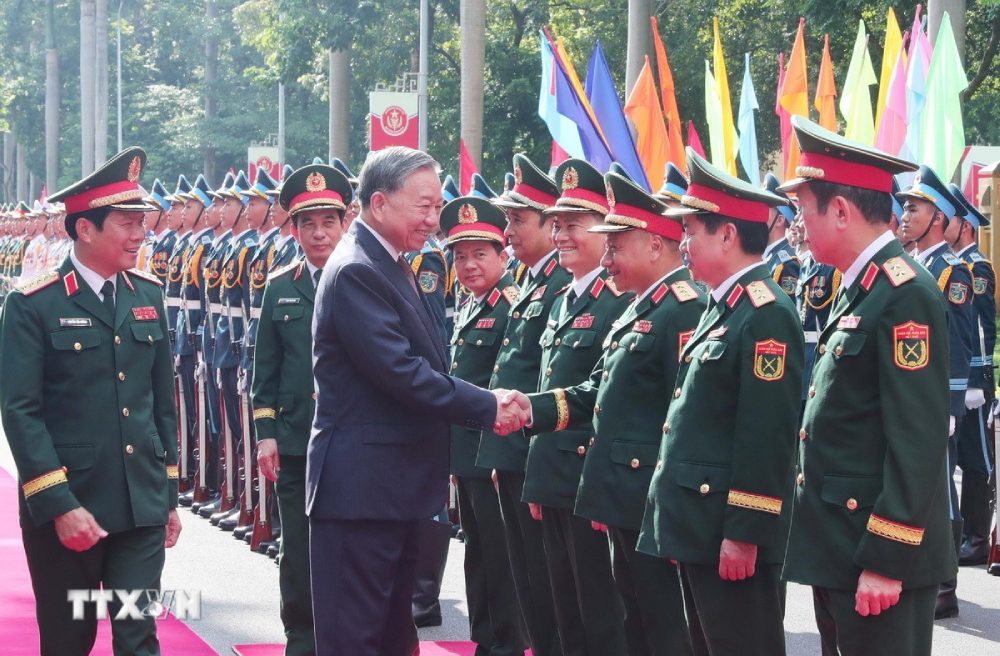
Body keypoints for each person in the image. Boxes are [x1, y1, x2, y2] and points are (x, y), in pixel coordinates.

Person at [307, 146, 527, 656]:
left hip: (394, 489)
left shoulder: (390, 263)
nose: (434, 219)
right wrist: (489, 406)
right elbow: (403, 374)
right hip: (362, 493)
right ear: (379, 202)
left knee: (391, 637)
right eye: (424, 207)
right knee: (356, 639)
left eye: (436, 207)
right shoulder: (358, 270)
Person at [780, 116, 957, 656]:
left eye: (804, 208)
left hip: (877, 556)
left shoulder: (904, 293)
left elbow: (918, 439)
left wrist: (885, 558)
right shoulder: (860, 285)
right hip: (841, 546)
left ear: (840, 209)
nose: (797, 224)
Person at [515, 170, 704, 655]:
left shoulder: (682, 309)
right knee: (635, 624)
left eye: (617, 246)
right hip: (620, 496)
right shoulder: (640, 307)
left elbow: (683, 419)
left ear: (655, 246)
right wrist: (522, 409)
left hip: (648, 500)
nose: (609, 258)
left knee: (662, 629)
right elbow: (594, 393)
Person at [0, 147, 180, 655]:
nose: (140, 235)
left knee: (138, 635)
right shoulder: (33, 303)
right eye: (127, 224)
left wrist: (167, 496)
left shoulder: (148, 295)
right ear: (85, 229)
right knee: (67, 639)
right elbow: (20, 411)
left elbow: (160, 401)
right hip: (70, 504)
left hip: (139, 505)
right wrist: (58, 505)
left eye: (141, 223)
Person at [637, 148, 803, 656]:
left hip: (729, 531)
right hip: (701, 523)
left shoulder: (765, 313)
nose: (682, 244)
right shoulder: (724, 306)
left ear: (728, 234)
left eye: (691, 231)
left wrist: (745, 533)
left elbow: (766, 434)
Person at [516, 158, 634, 656]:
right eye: (557, 225)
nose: (562, 236)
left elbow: (605, 400)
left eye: (574, 225)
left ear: (604, 231)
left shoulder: (616, 302)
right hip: (555, 477)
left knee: (601, 616)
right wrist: (538, 477)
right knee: (565, 611)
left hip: (590, 478)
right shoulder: (564, 297)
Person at [252, 163, 352, 655]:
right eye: (307, 224)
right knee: (299, 548)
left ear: (344, 224)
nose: (318, 233)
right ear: (293, 230)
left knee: (352, 546)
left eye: (327, 222)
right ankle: (303, 637)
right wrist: (265, 434)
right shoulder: (279, 286)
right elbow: (264, 370)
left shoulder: (365, 278)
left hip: (355, 440)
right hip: (296, 439)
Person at [478, 153, 569, 656]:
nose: (507, 231)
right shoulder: (532, 279)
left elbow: (547, 376)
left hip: (535, 446)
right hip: (512, 446)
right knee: (526, 578)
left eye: (517, 220)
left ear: (549, 222)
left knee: (546, 581)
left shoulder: (557, 283)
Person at [440, 195, 527, 656]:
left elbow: (506, 385)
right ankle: (485, 637)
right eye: (460, 256)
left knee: (501, 555)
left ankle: (507, 643)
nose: (468, 265)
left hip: (492, 452)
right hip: (468, 453)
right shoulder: (475, 304)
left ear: (502, 254)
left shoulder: (511, 305)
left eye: (479, 254)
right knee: (478, 549)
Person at [896, 165, 975, 619]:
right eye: (905, 206)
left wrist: (950, 405)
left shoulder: (952, 274)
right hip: (918, 400)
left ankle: (946, 585)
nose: (904, 215)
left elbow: (960, 344)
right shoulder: (914, 268)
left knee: (942, 489)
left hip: (938, 403)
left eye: (915, 208)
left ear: (939, 219)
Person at [945, 184, 996, 566]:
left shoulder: (976, 266)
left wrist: (978, 380)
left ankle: (978, 537)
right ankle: (966, 533)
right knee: (961, 455)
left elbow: (981, 328)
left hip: (974, 382)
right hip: (963, 379)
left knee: (977, 459)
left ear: (964, 226)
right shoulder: (955, 266)